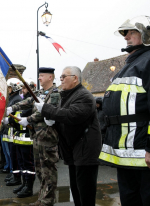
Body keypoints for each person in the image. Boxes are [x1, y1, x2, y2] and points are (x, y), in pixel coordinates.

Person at [99, 16, 150, 206]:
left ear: (148, 35)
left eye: (131, 32)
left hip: (149, 157)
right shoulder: (130, 65)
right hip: (128, 157)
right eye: (124, 33)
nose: (126, 36)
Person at [36, 66, 102, 206]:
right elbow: (62, 117)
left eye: (63, 76)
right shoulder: (66, 96)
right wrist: (52, 121)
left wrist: (47, 110)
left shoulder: (84, 96)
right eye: (60, 77)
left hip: (85, 150)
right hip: (73, 150)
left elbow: (72, 115)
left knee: (85, 191)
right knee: (76, 188)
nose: (61, 79)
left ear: (75, 78)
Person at [8, 67, 60, 206]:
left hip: (47, 137)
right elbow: (28, 102)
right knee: (40, 170)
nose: (39, 78)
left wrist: (28, 119)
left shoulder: (55, 94)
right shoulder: (40, 93)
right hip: (37, 135)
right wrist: (12, 108)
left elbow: (45, 111)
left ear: (50, 77)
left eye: (42, 75)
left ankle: (48, 200)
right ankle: (42, 198)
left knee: (48, 169)